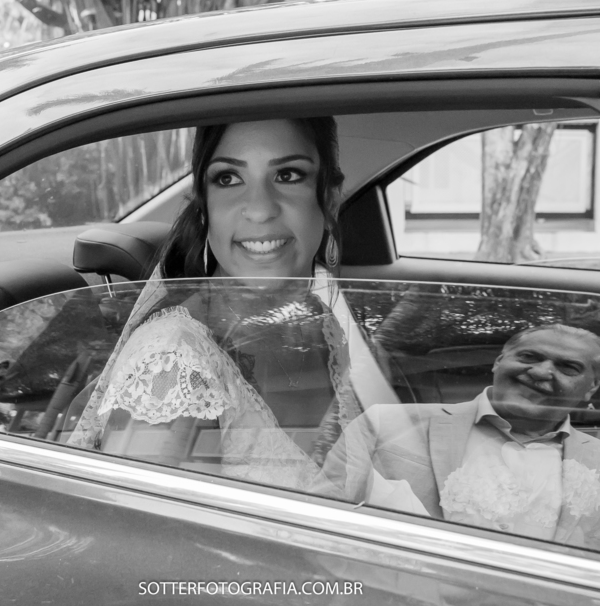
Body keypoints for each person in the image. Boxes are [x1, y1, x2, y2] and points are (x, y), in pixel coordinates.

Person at [66, 118, 396, 490]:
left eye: (288, 175)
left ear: (330, 200)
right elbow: (148, 539)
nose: (259, 209)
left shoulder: (324, 324)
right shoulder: (170, 364)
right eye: (228, 179)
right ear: (204, 207)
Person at [320, 323, 600, 555]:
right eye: (529, 357)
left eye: (568, 367)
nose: (543, 371)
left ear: (591, 388)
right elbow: (317, 523)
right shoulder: (388, 424)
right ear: (498, 362)